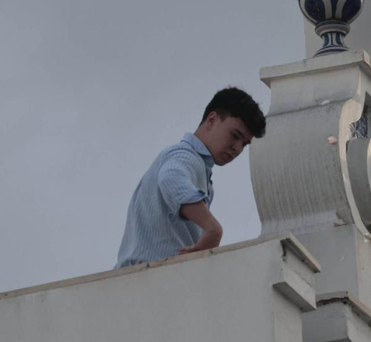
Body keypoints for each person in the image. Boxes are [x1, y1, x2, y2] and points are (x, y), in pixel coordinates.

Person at [114, 87, 266, 268]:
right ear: (211, 120)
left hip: (149, 278)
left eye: (245, 144)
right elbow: (171, 177)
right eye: (234, 135)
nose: (237, 148)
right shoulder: (186, 157)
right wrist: (213, 229)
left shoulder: (197, 167)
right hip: (151, 279)